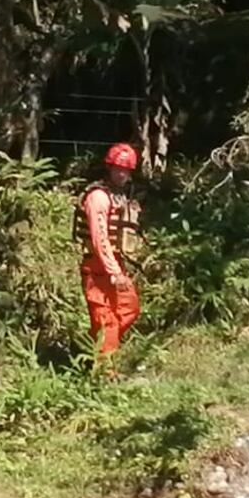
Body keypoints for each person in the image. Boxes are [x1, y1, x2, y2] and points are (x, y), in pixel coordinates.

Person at [74, 142, 143, 358]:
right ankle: (104, 374)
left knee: (129, 308)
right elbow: (99, 239)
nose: (122, 173)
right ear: (109, 167)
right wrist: (114, 272)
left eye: (126, 170)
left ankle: (92, 346)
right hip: (97, 268)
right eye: (118, 168)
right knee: (107, 321)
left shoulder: (120, 196)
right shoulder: (98, 197)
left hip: (115, 265)